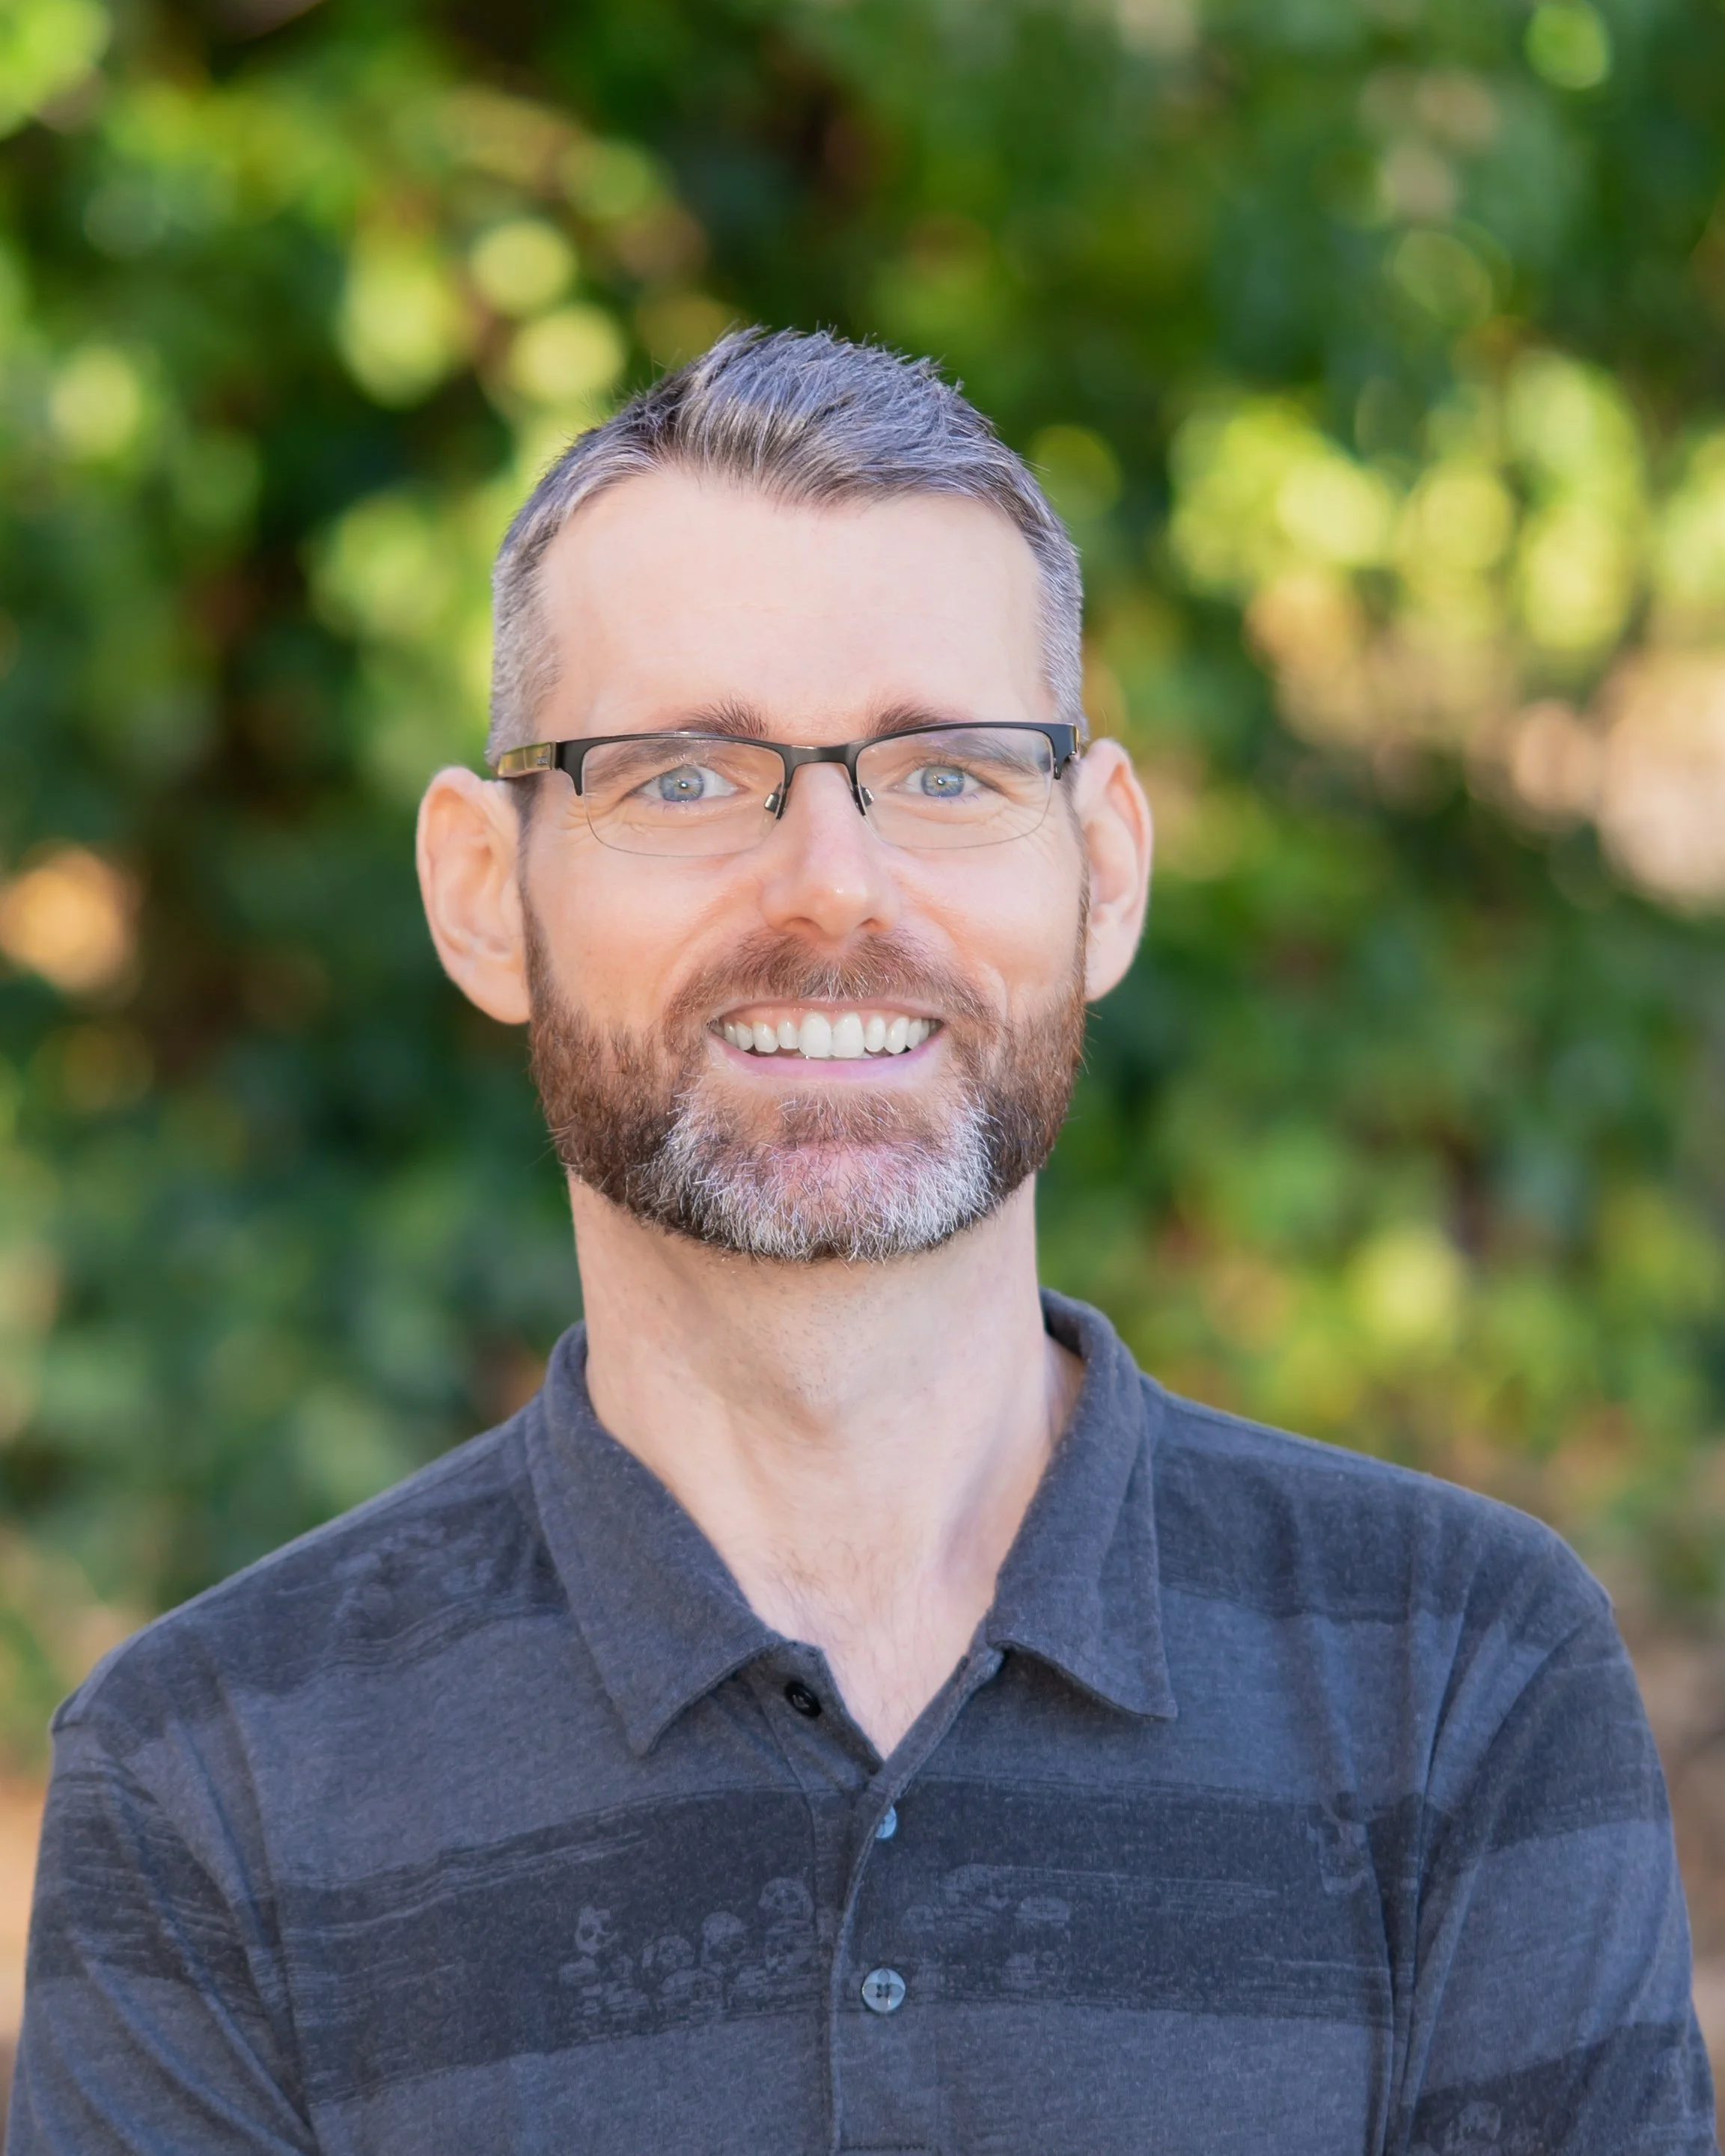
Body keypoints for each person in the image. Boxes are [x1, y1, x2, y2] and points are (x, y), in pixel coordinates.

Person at [6, 329, 1715, 2156]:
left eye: (949, 770)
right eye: (682, 776)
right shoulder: (211, 1781)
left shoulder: (1458, 1677)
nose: (832, 882)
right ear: (484, 896)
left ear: (1104, 873)